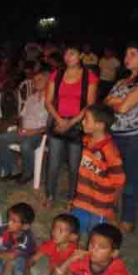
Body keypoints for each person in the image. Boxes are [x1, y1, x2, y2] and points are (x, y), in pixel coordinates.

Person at [44, 45, 98, 207]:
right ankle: (50, 195)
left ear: (81, 55)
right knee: (53, 163)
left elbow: (89, 105)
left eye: (72, 53)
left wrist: (70, 122)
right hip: (57, 121)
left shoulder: (89, 76)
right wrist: (60, 120)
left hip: (77, 125)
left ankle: (72, 197)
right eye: (66, 53)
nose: (68, 57)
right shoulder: (57, 74)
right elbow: (48, 101)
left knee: (75, 165)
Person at [105, 43, 138, 233]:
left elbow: (124, 108)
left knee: (131, 179)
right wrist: (116, 102)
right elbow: (106, 102)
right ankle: (111, 209)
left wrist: (115, 102)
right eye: (126, 54)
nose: (128, 58)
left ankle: (128, 217)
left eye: (133, 54)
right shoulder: (121, 82)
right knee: (113, 176)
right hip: (113, 134)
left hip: (134, 138)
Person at [71, 104, 125, 234]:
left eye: (86, 119)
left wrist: (112, 209)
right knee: (75, 230)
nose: (82, 122)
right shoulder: (86, 141)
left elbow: (119, 181)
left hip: (100, 206)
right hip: (82, 200)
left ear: (99, 125)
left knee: (96, 235)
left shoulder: (110, 152)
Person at [0, 71, 49, 184]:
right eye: (34, 80)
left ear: (47, 81)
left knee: (25, 145)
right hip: (23, 130)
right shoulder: (31, 98)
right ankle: (11, 170)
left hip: (38, 133)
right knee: (1, 139)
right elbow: (22, 116)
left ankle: (28, 173)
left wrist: (34, 131)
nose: (36, 82)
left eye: (39, 79)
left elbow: (50, 125)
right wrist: (20, 127)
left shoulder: (51, 100)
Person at [51, 224, 132, 275]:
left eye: (102, 247)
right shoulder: (83, 259)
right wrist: (69, 260)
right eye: (92, 244)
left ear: (114, 253)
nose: (94, 249)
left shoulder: (118, 271)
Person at [14, 213, 79, 275]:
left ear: (72, 237)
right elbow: (32, 259)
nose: (54, 233)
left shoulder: (74, 253)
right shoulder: (51, 244)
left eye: (60, 231)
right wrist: (27, 273)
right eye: (54, 228)